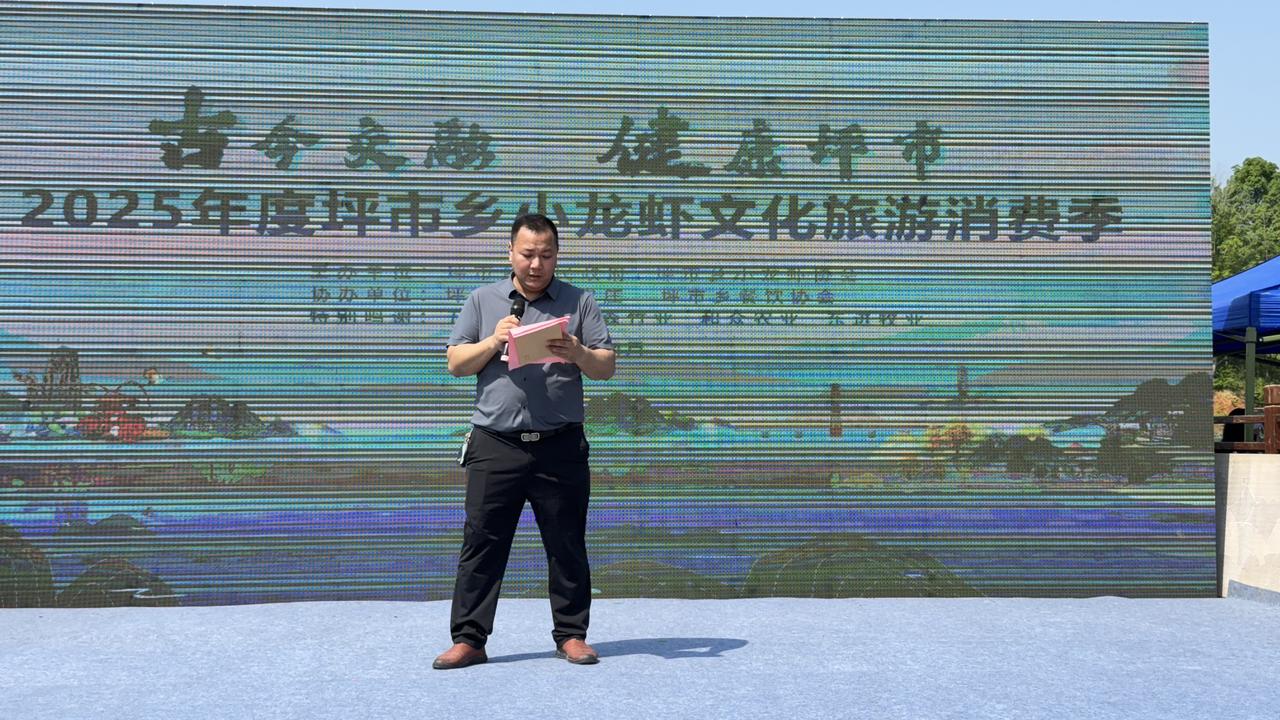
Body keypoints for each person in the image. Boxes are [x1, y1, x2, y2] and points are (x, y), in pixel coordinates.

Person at [432, 213, 616, 670]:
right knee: (482, 543)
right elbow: (456, 363)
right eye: (528, 254)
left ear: (557, 256)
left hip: (559, 444)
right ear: (510, 252)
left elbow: (606, 366)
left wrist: (577, 351)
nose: (536, 264)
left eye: (546, 255)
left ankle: (571, 635)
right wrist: (493, 341)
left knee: (566, 543)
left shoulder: (579, 301)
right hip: (496, 443)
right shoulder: (482, 300)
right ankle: (469, 639)